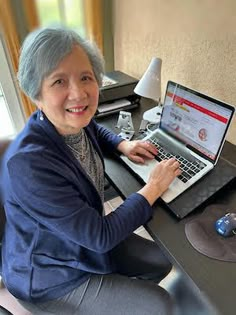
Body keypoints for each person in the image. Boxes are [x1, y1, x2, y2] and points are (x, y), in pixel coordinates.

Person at [1, 27, 181, 315]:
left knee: (162, 261)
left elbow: (91, 127)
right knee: (160, 304)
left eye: (86, 77)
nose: (79, 93)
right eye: (59, 81)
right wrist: (153, 188)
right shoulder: (28, 166)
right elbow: (100, 236)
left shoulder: (66, 123)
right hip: (50, 275)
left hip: (80, 240)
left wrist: (122, 144)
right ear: (36, 94)